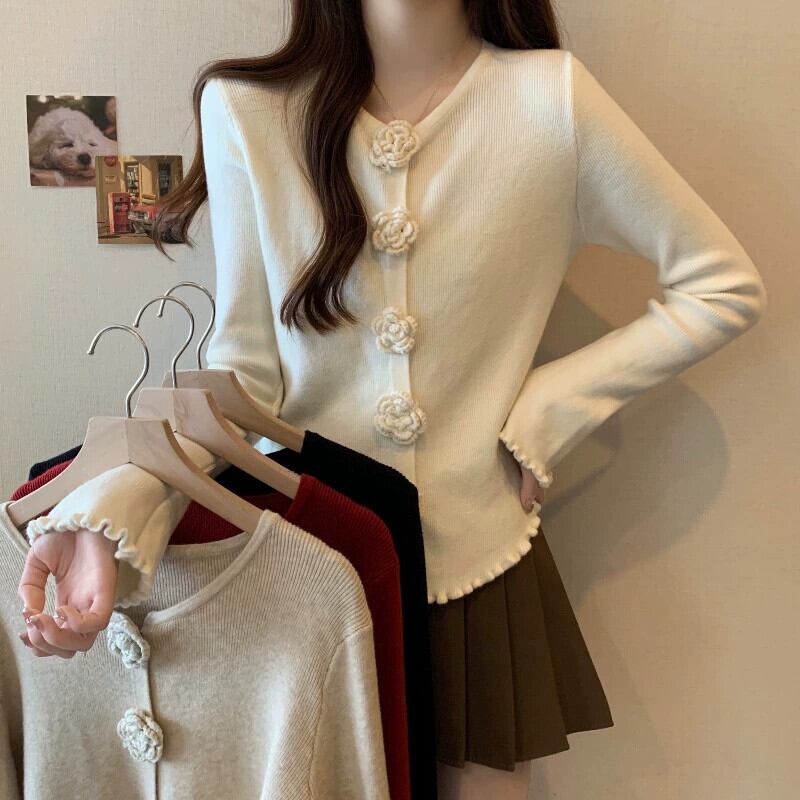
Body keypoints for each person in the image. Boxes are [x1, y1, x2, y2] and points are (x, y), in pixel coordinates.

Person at [14, 1, 767, 797]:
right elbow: (241, 381)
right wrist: (113, 511)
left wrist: (550, 409)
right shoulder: (249, 109)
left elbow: (722, 286)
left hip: (472, 570)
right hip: (307, 574)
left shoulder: (553, 100)